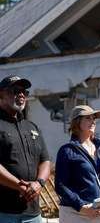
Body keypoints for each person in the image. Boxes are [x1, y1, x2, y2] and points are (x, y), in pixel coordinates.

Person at [0, 75, 51, 223]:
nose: (21, 94)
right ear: (1, 94)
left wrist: (39, 183)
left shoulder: (31, 127)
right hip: (5, 214)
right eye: (15, 90)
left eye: (24, 92)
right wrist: (20, 186)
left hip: (33, 214)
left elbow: (45, 160)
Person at [55, 105, 100, 222]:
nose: (93, 121)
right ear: (77, 122)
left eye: (94, 118)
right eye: (88, 118)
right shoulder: (67, 151)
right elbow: (60, 186)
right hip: (76, 214)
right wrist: (81, 206)